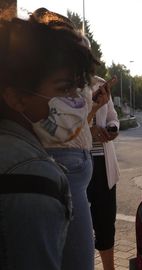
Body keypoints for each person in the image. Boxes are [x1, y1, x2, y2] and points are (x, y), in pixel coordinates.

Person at [0, 16, 97, 269]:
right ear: (16, 97)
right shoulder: (33, 175)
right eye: (65, 89)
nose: (78, 102)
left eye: (78, 88)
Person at [28, 8, 111, 270]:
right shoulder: (49, 65)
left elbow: (72, 125)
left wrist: (95, 108)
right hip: (67, 168)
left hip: (75, 165)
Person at [88, 75, 121, 270]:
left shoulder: (100, 84)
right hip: (77, 164)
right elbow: (66, 125)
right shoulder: (62, 84)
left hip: (103, 164)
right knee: (79, 226)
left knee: (106, 222)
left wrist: (112, 128)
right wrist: (88, 130)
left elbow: (113, 116)